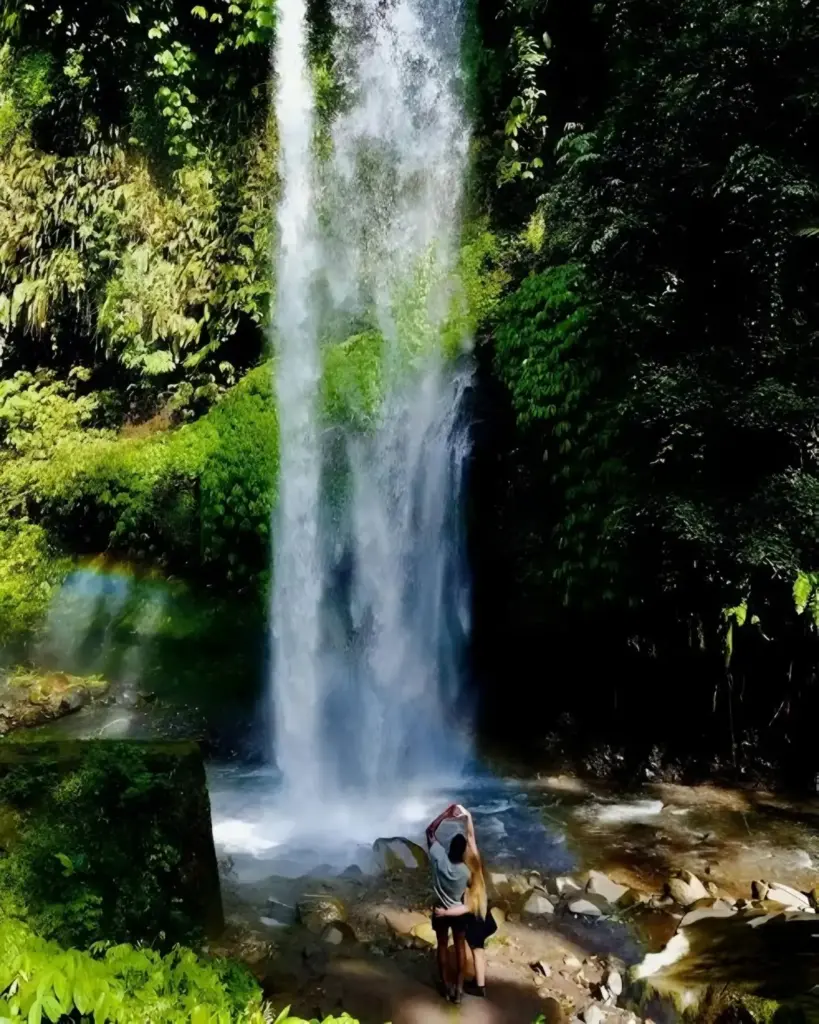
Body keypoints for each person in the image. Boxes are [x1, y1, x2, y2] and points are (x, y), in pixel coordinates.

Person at [433, 804, 497, 999]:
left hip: (474, 913)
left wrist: (444, 913)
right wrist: (467, 816)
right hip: (484, 911)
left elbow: (465, 907)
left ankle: (478, 986)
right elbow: (471, 837)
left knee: (476, 948)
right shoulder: (475, 864)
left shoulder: (467, 874)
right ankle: (479, 983)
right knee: (478, 949)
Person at [426, 803, 471, 1003]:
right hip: (458, 911)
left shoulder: (439, 857)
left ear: (450, 847)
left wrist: (445, 813)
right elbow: (473, 887)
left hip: (439, 909)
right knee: (460, 946)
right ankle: (459, 988)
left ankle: (446, 986)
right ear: (463, 853)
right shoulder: (465, 872)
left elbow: (429, 831)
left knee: (442, 945)